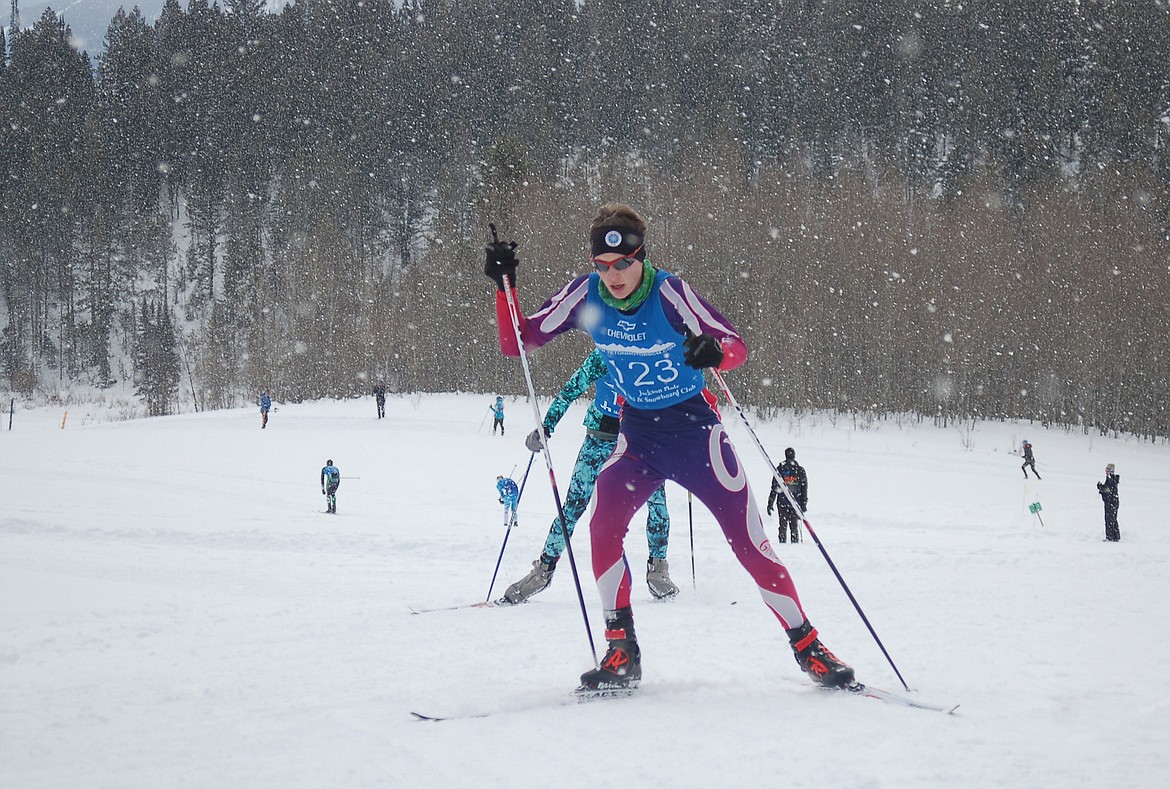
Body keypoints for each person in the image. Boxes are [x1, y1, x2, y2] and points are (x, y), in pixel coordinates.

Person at [484, 203, 854, 692]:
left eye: (623, 263)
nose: (613, 275)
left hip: (696, 434)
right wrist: (503, 287)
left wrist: (713, 351)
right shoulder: (586, 296)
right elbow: (520, 342)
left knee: (750, 543)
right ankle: (622, 651)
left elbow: (735, 345)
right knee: (603, 524)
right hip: (639, 438)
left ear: (641, 258)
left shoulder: (669, 293)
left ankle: (808, 647)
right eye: (603, 265)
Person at [500, 349, 677, 605]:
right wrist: (545, 427)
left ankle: (658, 570)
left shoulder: (648, 355)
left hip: (639, 440)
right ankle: (542, 571)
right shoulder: (602, 357)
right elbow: (569, 391)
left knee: (658, 504)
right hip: (599, 439)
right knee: (572, 507)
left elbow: (671, 396)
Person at [767, 447, 807, 544]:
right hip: (795, 503)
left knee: (783, 526)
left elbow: (774, 488)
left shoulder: (780, 469)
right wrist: (803, 503)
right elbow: (804, 488)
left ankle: (782, 544)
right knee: (794, 527)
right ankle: (794, 544)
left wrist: (770, 503)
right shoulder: (800, 470)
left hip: (782, 502)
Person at [1097, 463, 1120, 542]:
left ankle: (1110, 537)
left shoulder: (1111, 479)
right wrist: (1101, 488)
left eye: (1108, 470)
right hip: (1111, 502)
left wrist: (1101, 489)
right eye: (1106, 470)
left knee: (1110, 520)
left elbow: (1108, 491)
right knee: (1112, 519)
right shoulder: (1110, 479)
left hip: (1111, 503)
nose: (1106, 471)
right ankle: (1115, 536)